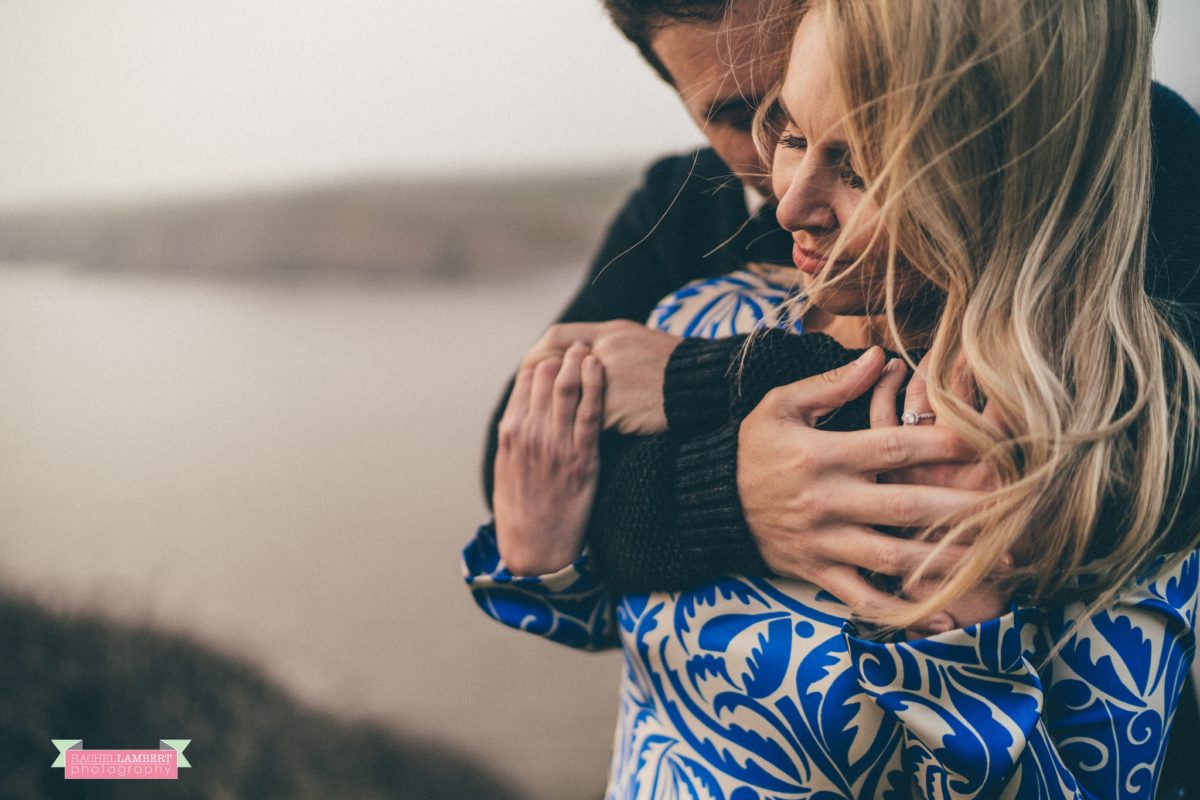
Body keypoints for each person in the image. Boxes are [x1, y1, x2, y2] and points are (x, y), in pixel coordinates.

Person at [466, 0, 1200, 796]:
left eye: (862, 156)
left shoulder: (1115, 386)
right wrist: (731, 490)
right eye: (772, 122)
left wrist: (960, 657)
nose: (787, 204)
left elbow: (1093, 432)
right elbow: (538, 495)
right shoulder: (700, 290)